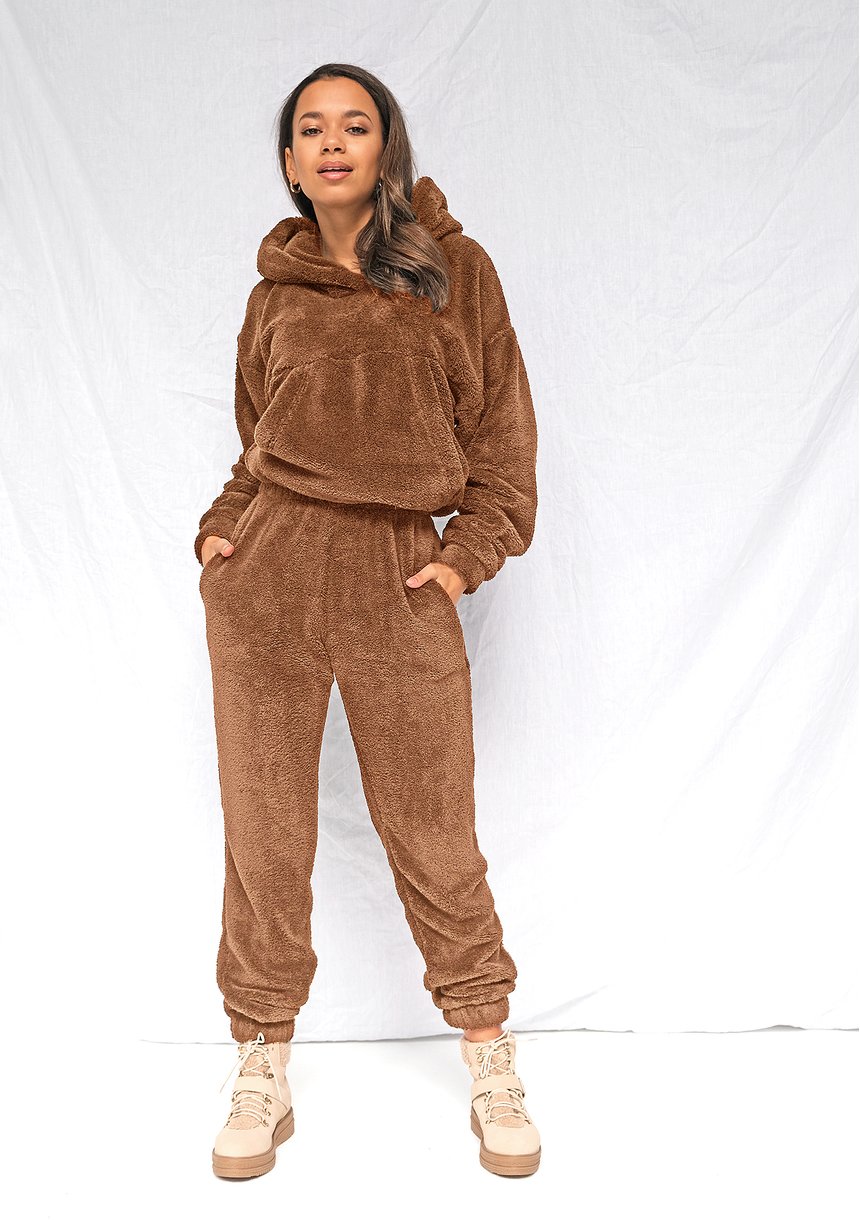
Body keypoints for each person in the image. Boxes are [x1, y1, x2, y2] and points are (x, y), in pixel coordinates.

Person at [197, 63, 540, 1180]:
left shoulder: (453, 271)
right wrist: (221, 534)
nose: (334, 141)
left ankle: (487, 1051)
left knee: (433, 827)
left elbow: (502, 454)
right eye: (312, 128)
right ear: (290, 162)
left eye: (356, 124)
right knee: (264, 832)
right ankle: (261, 1057)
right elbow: (256, 445)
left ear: (386, 147)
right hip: (270, 574)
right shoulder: (273, 297)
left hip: (398, 572)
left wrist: (459, 562)